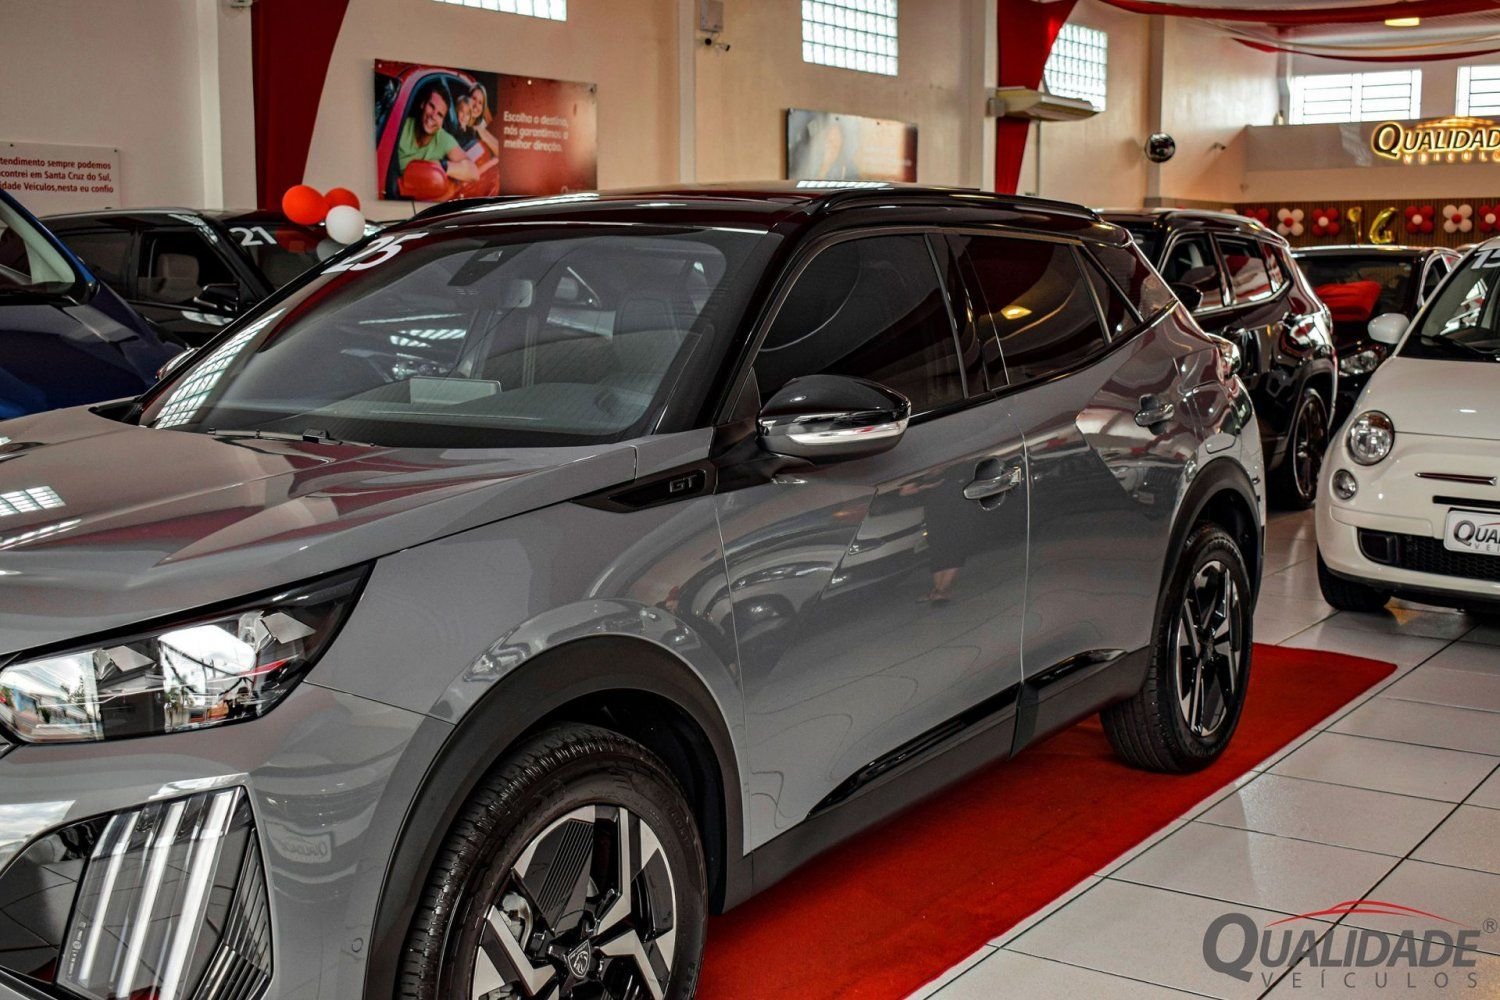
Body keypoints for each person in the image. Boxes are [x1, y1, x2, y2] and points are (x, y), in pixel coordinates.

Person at [397, 80, 479, 183]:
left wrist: (441, 165)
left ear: (442, 122)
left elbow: (474, 172)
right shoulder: (401, 126)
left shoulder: (443, 139)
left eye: (440, 115)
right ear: (423, 104)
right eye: (431, 106)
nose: (433, 116)